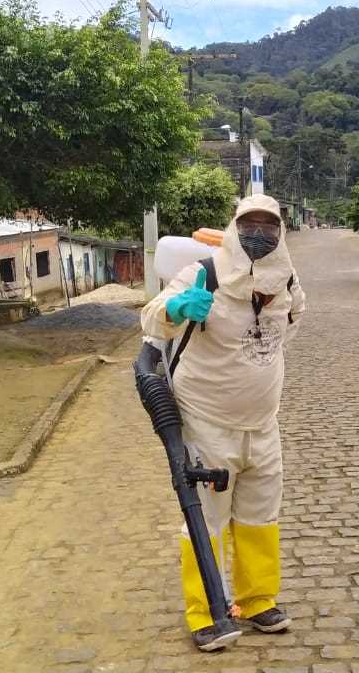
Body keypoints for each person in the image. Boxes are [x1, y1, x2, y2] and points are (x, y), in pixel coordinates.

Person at [140, 194, 306, 652]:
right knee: (206, 520)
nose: (259, 233)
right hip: (207, 421)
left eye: (268, 225)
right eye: (250, 224)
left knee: (259, 516)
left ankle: (257, 601)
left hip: (263, 424)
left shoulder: (287, 279)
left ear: (280, 232)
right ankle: (205, 612)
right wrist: (178, 309)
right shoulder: (204, 273)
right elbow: (151, 318)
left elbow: (290, 326)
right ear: (235, 227)